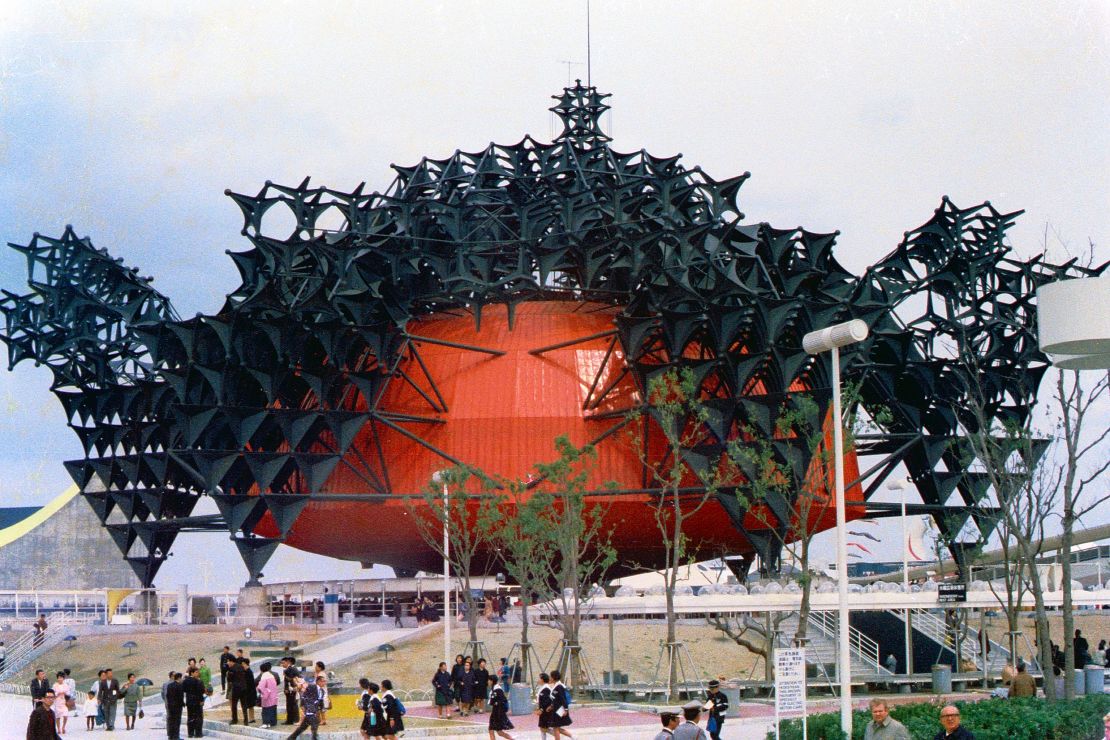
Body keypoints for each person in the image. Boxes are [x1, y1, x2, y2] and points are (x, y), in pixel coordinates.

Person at [287, 675, 323, 740]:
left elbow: (319, 702)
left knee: (303, 727)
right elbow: (305, 697)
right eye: (323, 681)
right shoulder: (312, 687)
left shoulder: (320, 690)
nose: (324, 683)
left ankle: (291, 738)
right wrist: (305, 706)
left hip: (311, 712)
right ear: (318, 681)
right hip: (311, 712)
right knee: (314, 726)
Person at [487, 674, 515, 740]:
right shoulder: (494, 689)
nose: (487, 681)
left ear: (492, 681)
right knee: (493, 730)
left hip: (498, 713)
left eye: (488, 680)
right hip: (495, 712)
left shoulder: (497, 690)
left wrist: (496, 705)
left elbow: (503, 700)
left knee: (498, 732)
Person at [182, 666, 207, 738]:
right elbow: (201, 692)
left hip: (189, 701)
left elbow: (184, 690)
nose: (198, 673)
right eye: (196, 672)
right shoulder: (198, 681)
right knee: (198, 717)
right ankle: (198, 733)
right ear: (192, 673)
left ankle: (190, 733)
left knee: (190, 717)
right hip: (197, 701)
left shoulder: (185, 681)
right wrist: (201, 700)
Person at [548, 669, 572, 739]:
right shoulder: (556, 686)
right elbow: (556, 698)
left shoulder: (560, 686)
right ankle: (573, 737)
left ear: (553, 677)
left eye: (550, 677)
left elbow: (563, 699)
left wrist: (566, 709)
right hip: (555, 709)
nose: (549, 678)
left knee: (556, 727)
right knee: (556, 727)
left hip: (560, 709)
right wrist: (551, 706)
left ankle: (573, 737)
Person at [258, 661, 280, 729]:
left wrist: (261, 692)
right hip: (274, 695)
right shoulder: (271, 675)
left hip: (267, 696)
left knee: (266, 710)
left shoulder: (264, 676)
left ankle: (266, 723)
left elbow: (261, 687)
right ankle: (272, 722)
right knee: (273, 709)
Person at [165, 672, 185, 740]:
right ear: (179, 678)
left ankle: (171, 736)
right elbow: (180, 697)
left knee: (171, 721)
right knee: (177, 721)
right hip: (177, 706)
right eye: (181, 678)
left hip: (170, 706)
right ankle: (176, 736)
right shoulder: (179, 686)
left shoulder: (169, 685)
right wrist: (182, 703)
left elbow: (167, 695)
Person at [281, 657, 301, 725]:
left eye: (283, 663)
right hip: (290, 690)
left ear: (288, 662)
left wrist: (285, 675)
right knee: (290, 705)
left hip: (292, 690)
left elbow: (292, 680)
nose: (282, 664)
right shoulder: (290, 669)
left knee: (293, 705)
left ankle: (294, 720)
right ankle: (290, 720)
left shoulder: (292, 669)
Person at [535, 672, 552, 739]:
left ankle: (558, 735)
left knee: (544, 728)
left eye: (539, 678)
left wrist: (541, 709)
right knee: (542, 728)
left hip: (545, 711)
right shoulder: (542, 688)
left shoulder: (546, 689)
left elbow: (547, 701)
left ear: (542, 680)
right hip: (543, 710)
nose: (538, 680)